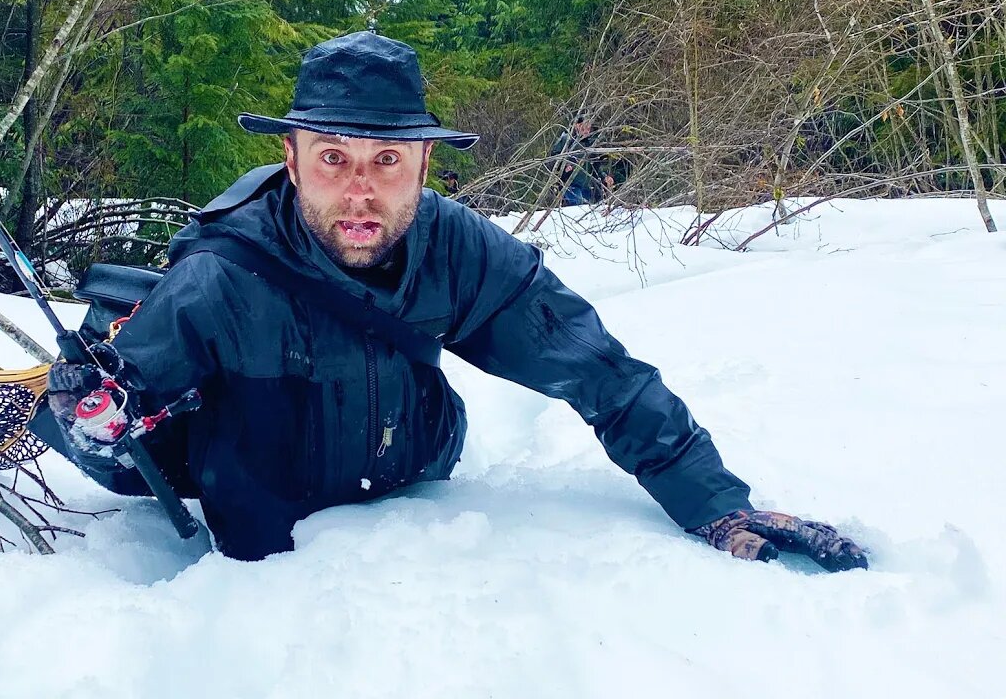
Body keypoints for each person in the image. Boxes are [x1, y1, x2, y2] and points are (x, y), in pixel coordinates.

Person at [57, 32, 868, 570]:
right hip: (269, 554)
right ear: (292, 158)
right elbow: (119, 407)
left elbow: (598, 370)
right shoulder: (220, 273)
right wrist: (97, 407)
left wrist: (715, 504)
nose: (360, 191)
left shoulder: (459, 248)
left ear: (423, 165)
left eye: (387, 161)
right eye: (334, 158)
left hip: (418, 482)